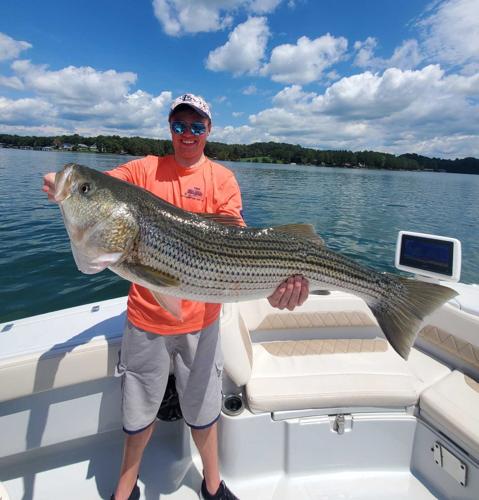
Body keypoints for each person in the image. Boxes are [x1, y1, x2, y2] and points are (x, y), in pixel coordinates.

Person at [42, 93, 309, 500]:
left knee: (203, 410)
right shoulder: (144, 169)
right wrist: (67, 187)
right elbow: (103, 187)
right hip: (145, 321)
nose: (187, 134)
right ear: (170, 129)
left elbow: (237, 245)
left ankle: (213, 485)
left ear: (208, 130)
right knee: (137, 412)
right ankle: (124, 488)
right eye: (179, 125)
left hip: (201, 323)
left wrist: (275, 288)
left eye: (196, 126)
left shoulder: (222, 179)